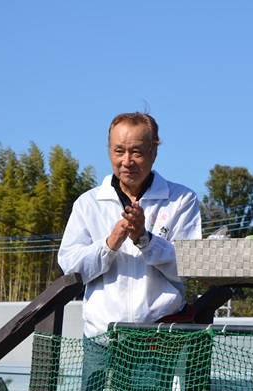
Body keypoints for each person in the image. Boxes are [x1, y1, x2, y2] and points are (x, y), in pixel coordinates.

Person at [58, 112, 202, 390]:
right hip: (100, 339)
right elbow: (70, 267)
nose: (127, 161)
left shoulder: (181, 199)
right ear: (108, 150)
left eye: (137, 152)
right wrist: (109, 243)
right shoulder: (88, 203)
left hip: (156, 340)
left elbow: (189, 266)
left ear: (154, 151)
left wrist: (145, 239)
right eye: (118, 151)